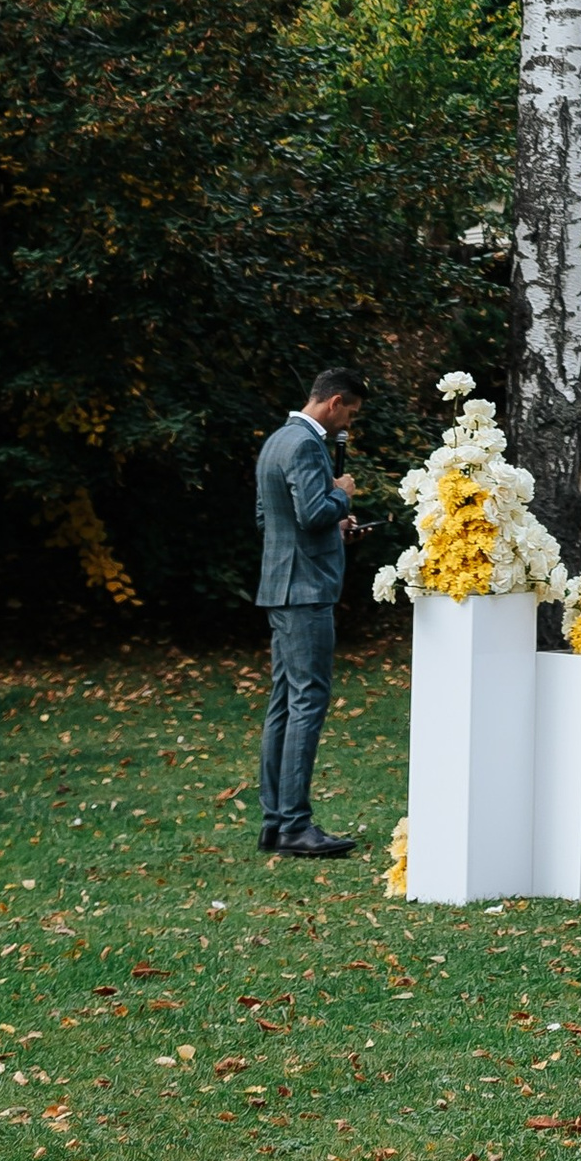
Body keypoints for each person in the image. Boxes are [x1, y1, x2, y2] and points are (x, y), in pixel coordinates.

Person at [254, 367, 365, 860]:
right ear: (334, 401)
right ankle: (295, 825)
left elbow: (269, 518)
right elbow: (312, 513)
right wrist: (342, 493)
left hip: (281, 584)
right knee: (307, 702)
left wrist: (334, 526)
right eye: (350, 414)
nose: (349, 425)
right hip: (304, 591)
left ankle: (275, 822)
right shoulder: (304, 445)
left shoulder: (276, 441)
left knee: (284, 703)